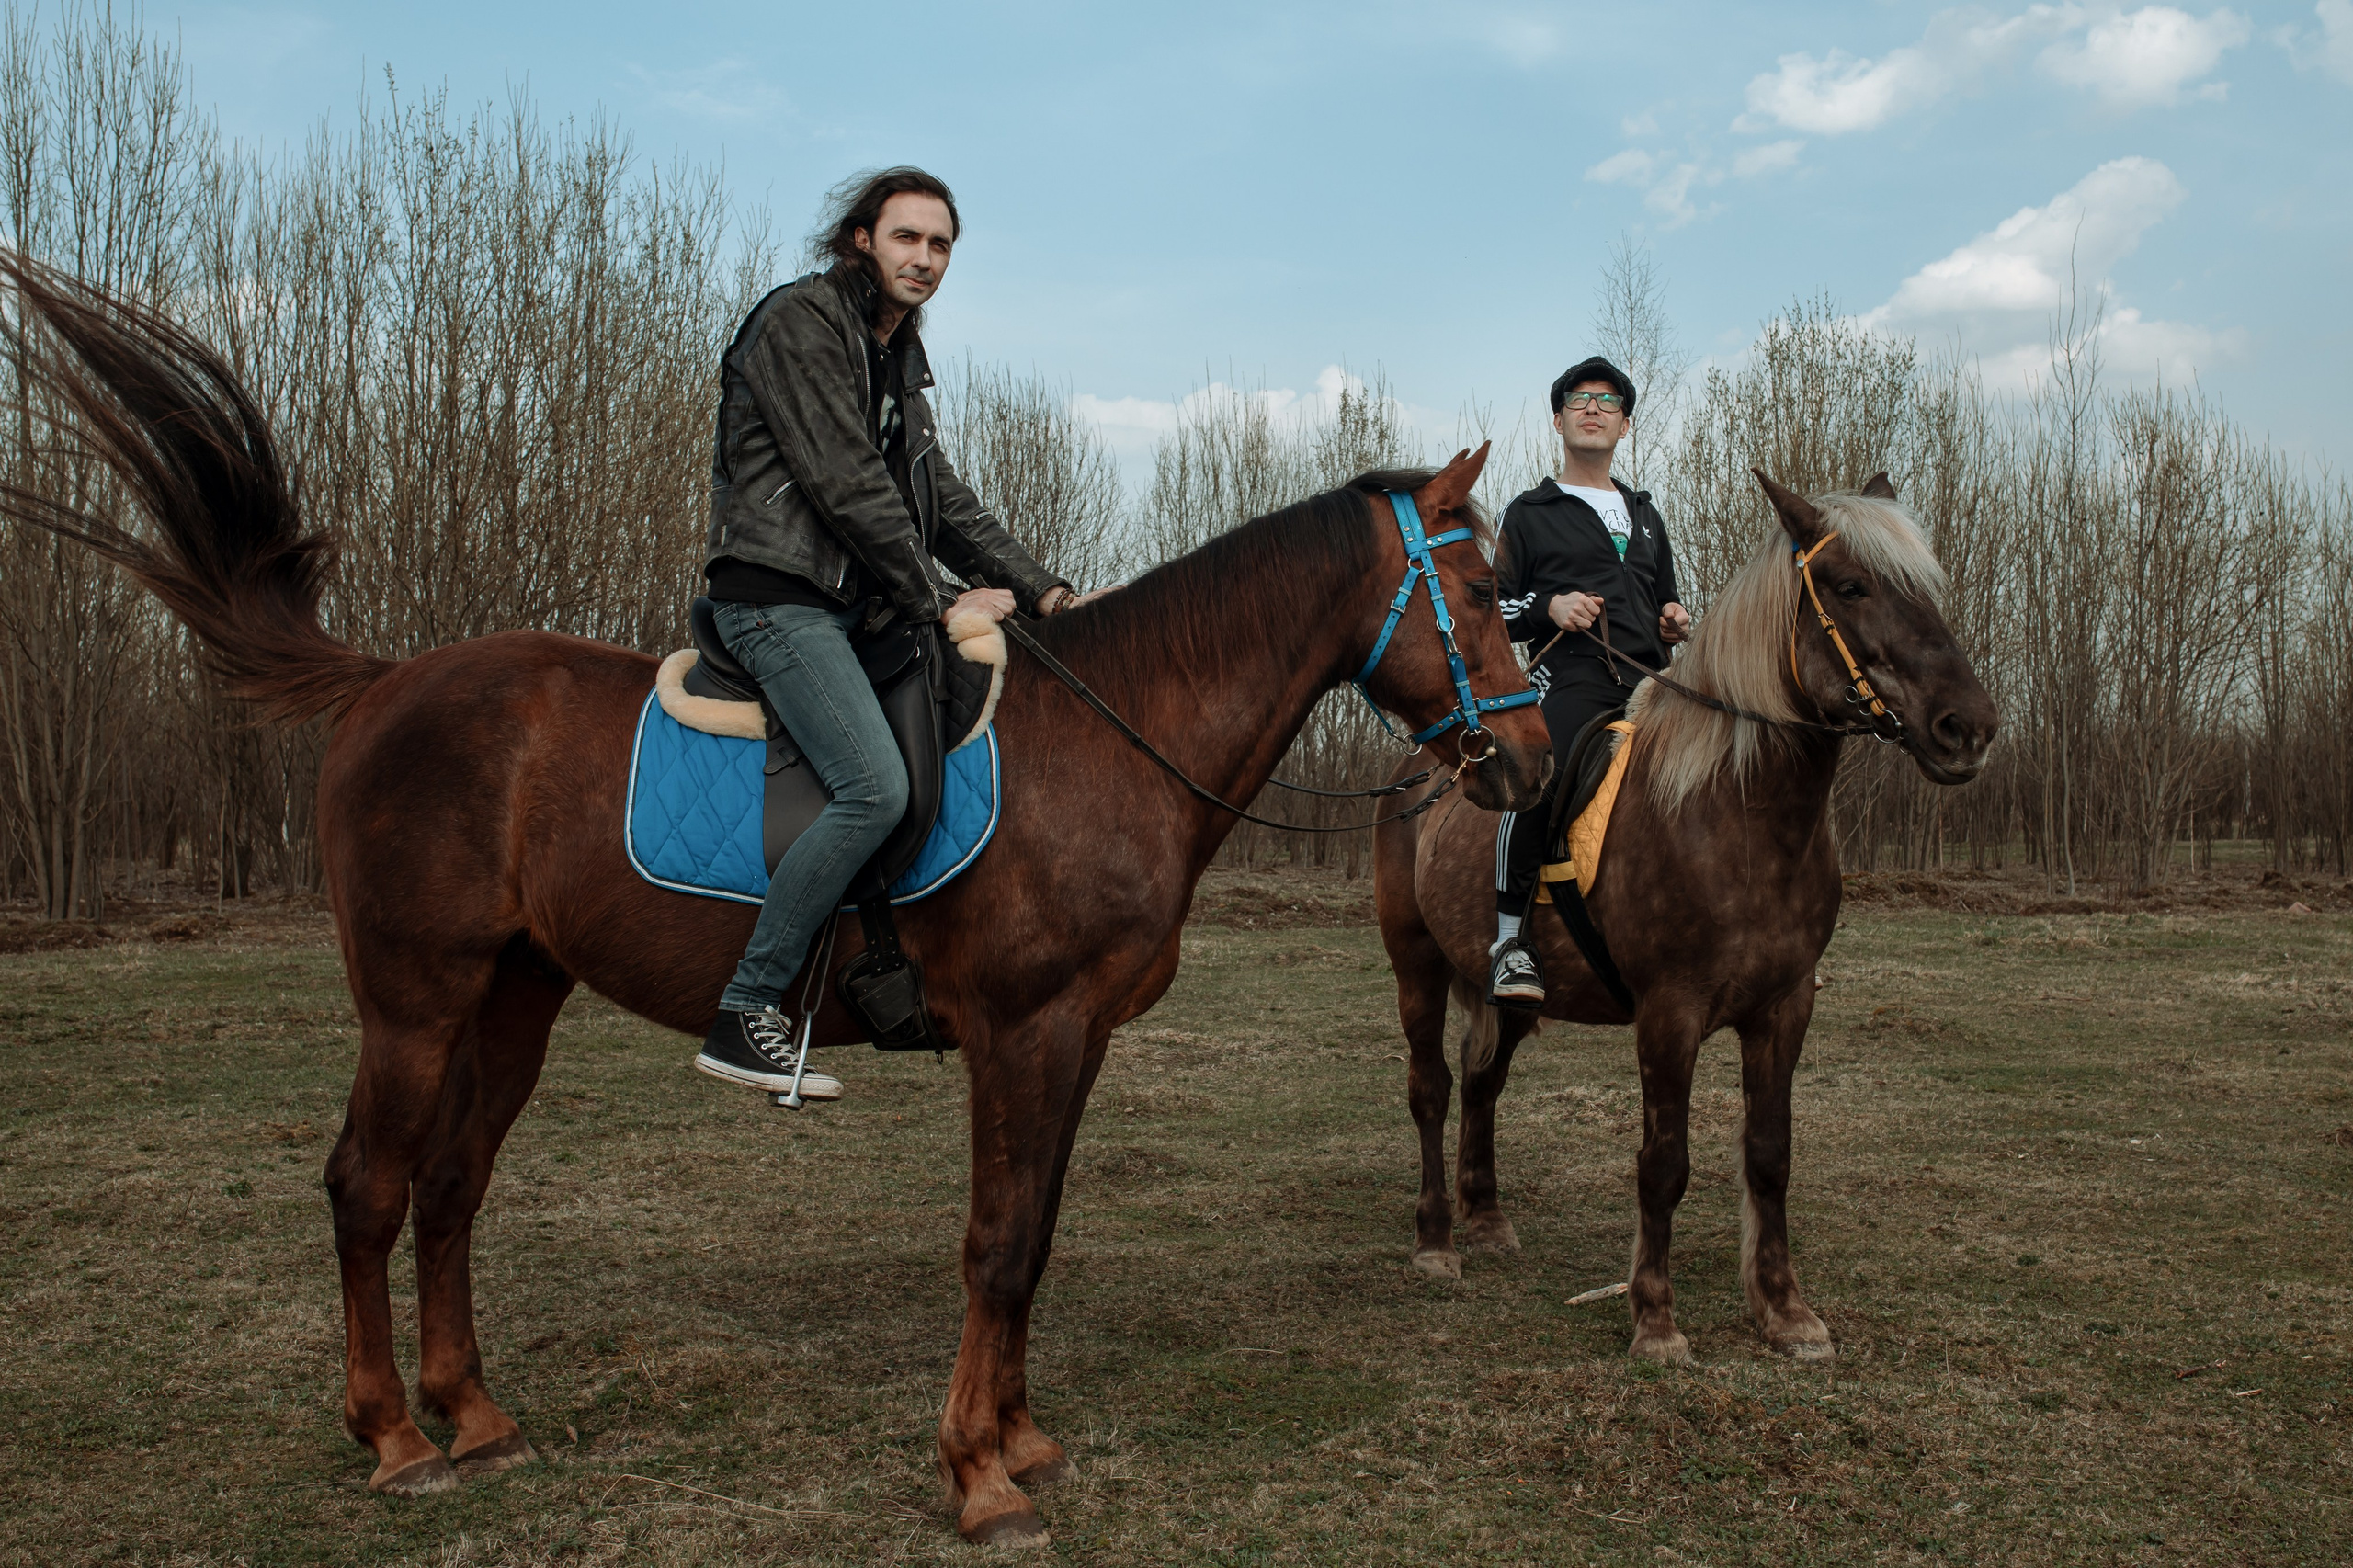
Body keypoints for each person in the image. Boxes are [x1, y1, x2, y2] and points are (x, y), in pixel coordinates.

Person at [692, 166, 1091, 1100]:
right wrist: (937, 600)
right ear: (861, 239)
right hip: (776, 596)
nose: (925, 257)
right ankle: (746, 1006)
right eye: (907, 236)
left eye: (941, 244)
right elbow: (845, 484)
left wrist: (1047, 593)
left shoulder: (898, 359)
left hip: (850, 606)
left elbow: (940, 498)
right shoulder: (800, 322)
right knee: (874, 787)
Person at [1488, 356, 1690, 1006]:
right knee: (1539, 777)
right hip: (1572, 677)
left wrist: (1673, 618)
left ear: (1624, 425)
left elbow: (1664, 597)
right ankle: (1510, 942)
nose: (1593, 408)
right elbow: (1490, 611)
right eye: (1579, 399)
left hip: (1654, 682)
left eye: (1607, 401)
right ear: (1559, 421)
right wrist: (1549, 605)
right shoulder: (1530, 511)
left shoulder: (1646, 513)